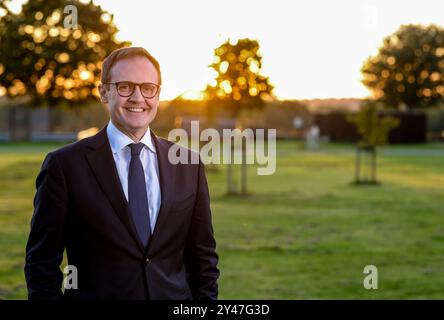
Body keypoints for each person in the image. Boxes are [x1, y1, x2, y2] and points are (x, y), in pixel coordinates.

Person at [24, 47, 219, 300]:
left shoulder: (188, 164)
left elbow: (203, 258)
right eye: (125, 86)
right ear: (104, 92)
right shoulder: (64, 166)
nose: (138, 98)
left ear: (158, 94)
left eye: (148, 88)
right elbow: (41, 264)